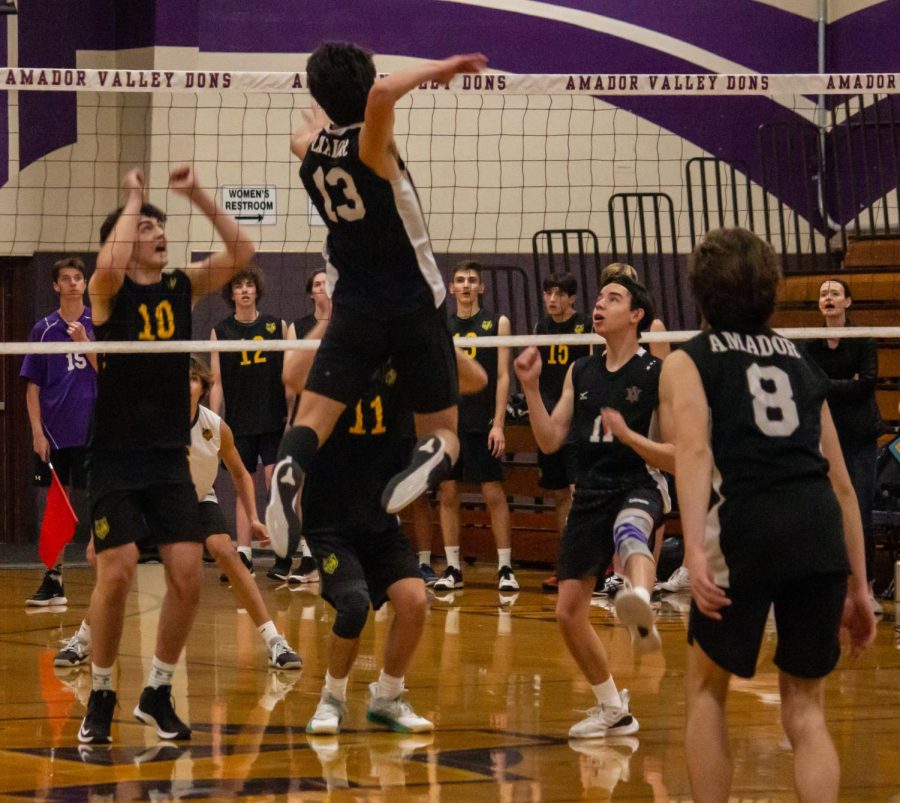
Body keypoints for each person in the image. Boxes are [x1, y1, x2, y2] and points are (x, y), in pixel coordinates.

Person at [659, 227, 875, 802]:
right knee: (806, 710)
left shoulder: (688, 360)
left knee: (706, 692)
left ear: (699, 293)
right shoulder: (803, 364)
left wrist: (697, 552)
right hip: (819, 533)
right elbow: (844, 485)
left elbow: (695, 451)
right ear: (772, 291)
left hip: (747, 529)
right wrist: (860, 584)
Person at [267, 42, 489, 560]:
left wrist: (319, 117)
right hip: (413, 303)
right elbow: (386, 91)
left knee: (312, 420)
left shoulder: (313, 154)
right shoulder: (373, 146)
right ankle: (431, 454)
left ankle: (289, 467)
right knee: (448, 432)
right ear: (365, 95)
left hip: (356, 309)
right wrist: (444, 65)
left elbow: (300, 138)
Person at [77, 164, 256, 745]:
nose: (158, 232)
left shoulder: (180, 286)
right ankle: (102, 690)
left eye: (160, 225)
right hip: (114, 455)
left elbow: (242, 249)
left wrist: (198, 193)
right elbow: (105, 266)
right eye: (146, 227)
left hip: (165, 457)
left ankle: (156, 692)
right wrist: (134, 197)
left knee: (187, 575)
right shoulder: (109, 292)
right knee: (120, 567)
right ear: (128, 238)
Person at [284, 315, 486, 735]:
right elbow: (291, 373)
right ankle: (332, 699)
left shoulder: (405, 360)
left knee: (414, 601)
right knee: (354, 604)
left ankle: (388, 697)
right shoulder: (337, 359)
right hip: (329, 521)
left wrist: (426, 325)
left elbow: (475, 378)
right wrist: (339, 315)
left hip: (379, 518)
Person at [55, 357, 301, 673]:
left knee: (226, 551)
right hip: (148, 498)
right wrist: (97, 535)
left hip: (197, 498)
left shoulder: (215, 426)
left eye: (191, 379)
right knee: (117, 568)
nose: (184, 385)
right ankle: (83, 639)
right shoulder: (150, 425)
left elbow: (240, 473)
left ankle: (275, 641)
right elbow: (118, 476)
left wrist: (253, 517)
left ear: (202, 386)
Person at [514, 274, 674, 739]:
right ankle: (612, 710)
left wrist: (629, 436)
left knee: (630, 530)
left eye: (613, 298)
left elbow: (678, 455)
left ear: (636, 315)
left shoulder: (656, 373)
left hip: (639, 481)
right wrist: (528, 386)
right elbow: (548, 440)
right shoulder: (580, 371)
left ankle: (639, 602)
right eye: (600, 297)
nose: (599, 304)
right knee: (567, 613)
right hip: (590, 489)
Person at [600, 262, 684, 594]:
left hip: (646, 420)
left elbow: (664, 378)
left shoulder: (655, 326)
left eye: (622, 283)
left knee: (651, 500)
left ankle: (647, 575)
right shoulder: (603, 327)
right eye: (609, 284)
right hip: (615, 422)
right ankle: (619, 573)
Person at [803, 279, 884, 613]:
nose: (828, 298)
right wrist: (839, 384)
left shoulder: (863, 337)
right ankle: (826, 588)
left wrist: (826, 385)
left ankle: (865, 589)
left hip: (860, 438)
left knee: (860, 513)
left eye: (835, 293)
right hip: (824, 438)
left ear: (848, 302)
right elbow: (809, 384)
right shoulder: (809, 341)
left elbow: (866, 385)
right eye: (824, 294)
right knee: (822, 514)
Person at [20, 257, 98, 606]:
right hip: (53, 432)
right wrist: (36, 432)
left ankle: (109, 575)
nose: (71, 283)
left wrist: (85, 342)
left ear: (84, 284)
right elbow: (32, 387)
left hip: (93, 431)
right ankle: (54, 580)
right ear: (55, 286)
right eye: (65, 279)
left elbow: (109, 372)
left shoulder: (97, 323)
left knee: (100, 502)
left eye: (77, 278)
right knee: (56, 506)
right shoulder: (43, 329)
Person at [435, 261, 516, 593]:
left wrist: (499, 423)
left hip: (482, 422)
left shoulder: (497, 323)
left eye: (472, 281)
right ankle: (453, 568)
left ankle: (506, 568)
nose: (466, 285)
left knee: (493, 492)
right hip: (451, 422)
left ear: (481, 287)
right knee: (448, 492)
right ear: (451, 288)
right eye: (460, 280)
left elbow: (502, 376)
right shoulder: (442, 324)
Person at [210, 266, 289, 577]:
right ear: (231, 294)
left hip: (273, 419)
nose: (244, 290)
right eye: (238, 286)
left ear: (257, 291)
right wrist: (214, 422)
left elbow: (289, 376)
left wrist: (292, 414)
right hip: (239, 423)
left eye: (249, 286)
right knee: (244, 487)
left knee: (277, 486)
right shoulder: (221, 330)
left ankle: (284, 551)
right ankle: (244, 555)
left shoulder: (276, 326)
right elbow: (215, 381)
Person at [268, 269, 333, 584]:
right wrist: (290, 419)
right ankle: (307, 556)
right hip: (308, 413)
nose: (323, 289)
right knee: (304, 487)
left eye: (327, 283)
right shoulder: (300, 327)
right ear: (311, 293)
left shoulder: (349, 322)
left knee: (334, 485)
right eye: (318, 285)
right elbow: (290, 376)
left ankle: (331, 553)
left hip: (340, 412)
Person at [532, 272, 591, 593]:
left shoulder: (585, 326)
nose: (552, 299)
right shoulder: (542, 327)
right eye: (548, 293)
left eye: (559, 293)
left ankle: (584, 566)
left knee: (577, 491)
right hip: (549, 419)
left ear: (571, 298)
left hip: (577, 421)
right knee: (558, 495)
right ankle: (566, 565)